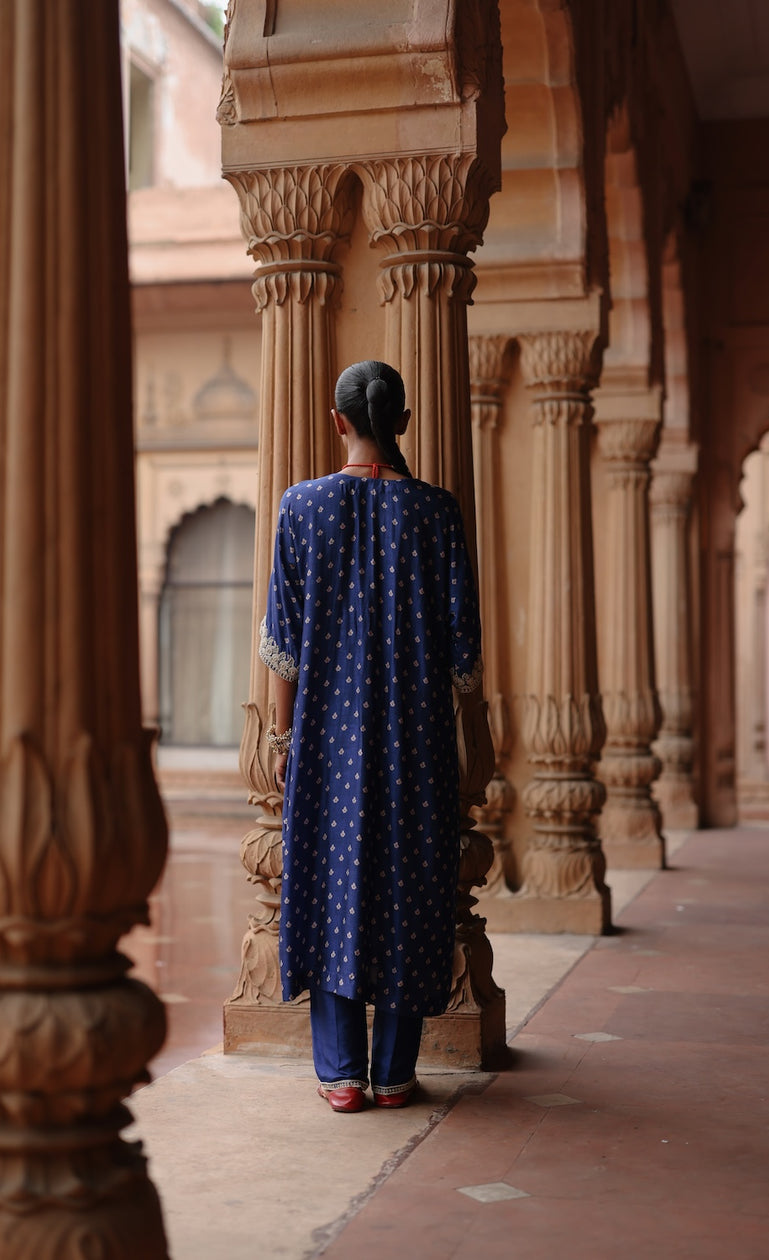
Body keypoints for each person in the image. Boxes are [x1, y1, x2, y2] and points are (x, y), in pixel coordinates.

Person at [259, 360, 483, 1113]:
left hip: (326, 740)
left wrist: (285, 740)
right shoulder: (436, 512)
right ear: (405, 423)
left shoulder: (302, 507)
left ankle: (342, 1074)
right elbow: (463, 653)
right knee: (409, 887)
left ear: (338, 422)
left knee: (330, 884)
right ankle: (393, 1072)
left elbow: (282, 646)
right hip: (414, 739)